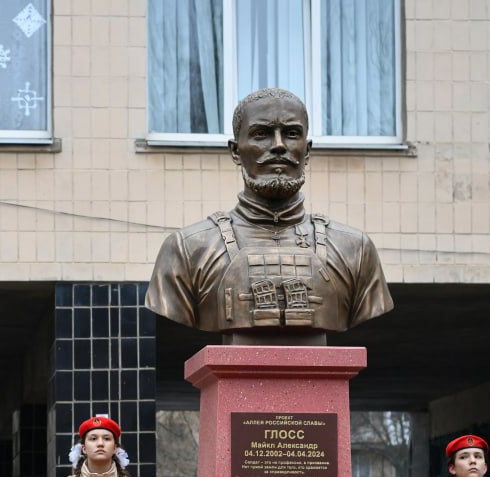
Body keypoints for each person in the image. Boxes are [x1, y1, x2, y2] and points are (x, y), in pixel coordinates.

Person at [146, 88, 393, 337]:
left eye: (291, 134)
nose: (278, 146)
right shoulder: (187, 249)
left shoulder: (356, 249)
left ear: (306, 150)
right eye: (261, 134)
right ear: (235, 150)